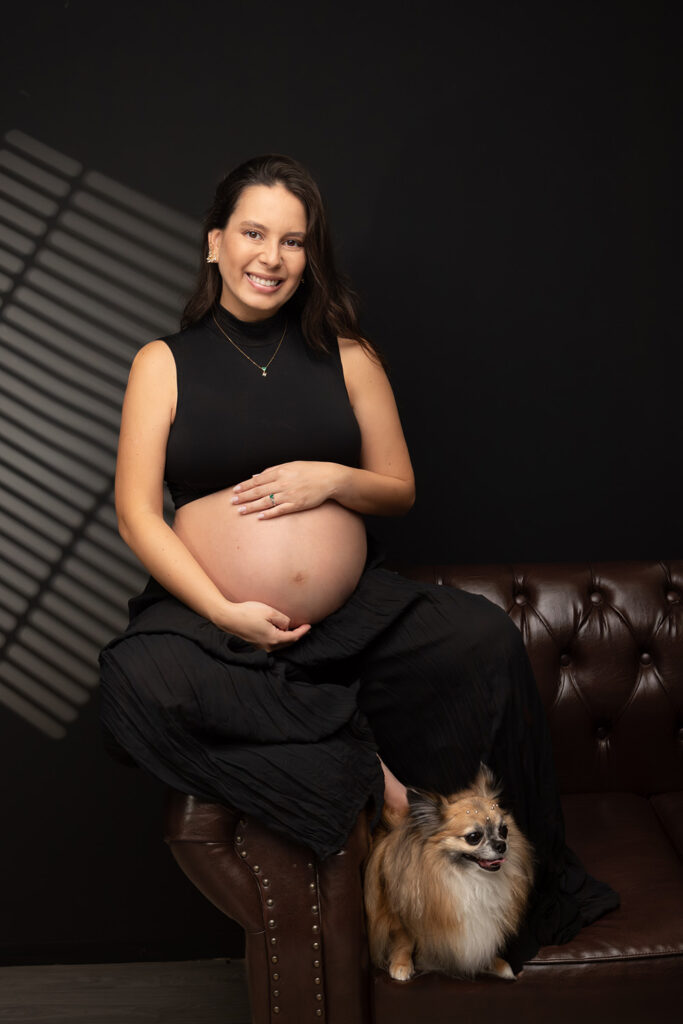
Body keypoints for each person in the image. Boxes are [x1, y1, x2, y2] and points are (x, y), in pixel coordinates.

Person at [98, 153, 618, 971]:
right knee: (138, 684)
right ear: (214, 243)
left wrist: (331, 478)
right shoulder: (162, 363)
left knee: (482, 639)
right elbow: (136, 513)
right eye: (253, 233)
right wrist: (224, 609)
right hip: (213, 623)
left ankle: (509, 900)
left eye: (293, 241)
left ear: (311, 256)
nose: (271, 257)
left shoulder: (349, 356)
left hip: (347, 618)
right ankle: (369, 775)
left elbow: (398, 489)